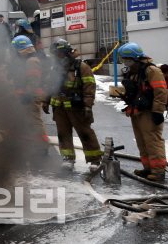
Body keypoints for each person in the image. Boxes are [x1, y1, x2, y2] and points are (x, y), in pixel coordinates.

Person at [44, 39, 102, 170]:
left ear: (67, 53)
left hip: (76, 107)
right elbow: (49, 85)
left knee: (85, 132)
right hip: (59, 107)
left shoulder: (81, 67)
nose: (58, 57)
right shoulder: (54, 68)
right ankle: (68, 158)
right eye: (56, 55)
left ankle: (95, 159)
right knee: (63, 133)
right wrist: (45, 100)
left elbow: (89, 88)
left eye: (60, 54)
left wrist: (87, 106)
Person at [118, 42, 168, 181]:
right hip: (137, 110)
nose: (125, 62)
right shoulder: (133, 71)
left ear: (135, 58)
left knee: (152, 141)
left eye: (126, 59)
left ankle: (158, 171)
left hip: (150, 111)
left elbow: (161, 92)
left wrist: (158, 112)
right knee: (142, 140)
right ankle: (148, 168)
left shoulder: (151, 70)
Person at [10, 35, 50, 155]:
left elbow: (33, 80)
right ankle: (15, 143)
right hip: (23, 95)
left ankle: (42, 146)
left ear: (21, 49)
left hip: (31, 97)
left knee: (35, 120)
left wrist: (28, 95)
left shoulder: (32, 61)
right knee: (18, 119)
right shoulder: (26, 60)